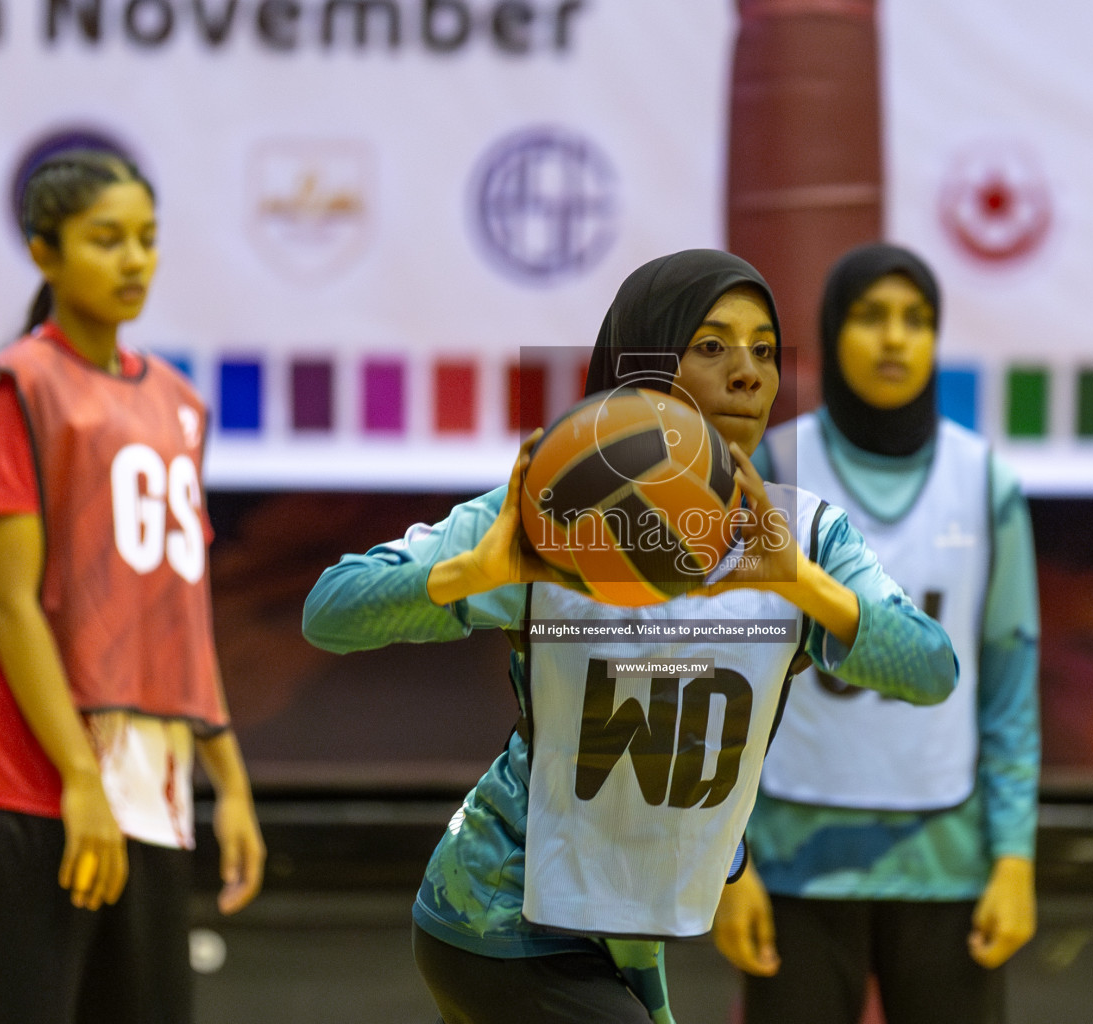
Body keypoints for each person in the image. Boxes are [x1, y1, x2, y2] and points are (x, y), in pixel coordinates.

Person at [301, 248, 958, 1024]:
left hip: (618, 940)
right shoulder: (555, 510)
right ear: (642, 362)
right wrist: (472, 574)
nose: (748, 371)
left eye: (765, 350)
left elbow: (931, 668)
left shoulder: (806, 535)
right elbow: (330, 610)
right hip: (498, 917)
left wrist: (800, 585)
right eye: (711, 345)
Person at [0, 149, 265, 1024]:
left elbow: (181, 612)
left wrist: (228, 780)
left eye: (147, 240)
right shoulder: (21, 388)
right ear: (44, 252)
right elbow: (11, 607)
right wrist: (78, 781)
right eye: (105, 240)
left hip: (153, 791)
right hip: (36, 785)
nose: (133, 260)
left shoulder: (176, 401)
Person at [712, 243, 1040, 1024]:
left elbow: (1009, 690)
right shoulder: (769, 467)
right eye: (871, 317)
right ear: (830, 333)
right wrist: (728, 867)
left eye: (916, 320)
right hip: (792, 866)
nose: (895, 339)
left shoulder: (983, 479)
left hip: (949, 865)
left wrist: (1016, 859)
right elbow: (722, 683)